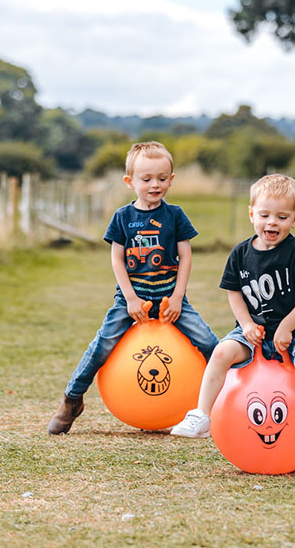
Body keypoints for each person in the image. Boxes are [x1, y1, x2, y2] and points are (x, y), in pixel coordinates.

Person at [171, 174, 295, 444]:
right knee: (221, 351)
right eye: (264, 215)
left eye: (282, 217)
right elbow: (234, 293)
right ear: (252, 214)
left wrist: (287, 327)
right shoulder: (240, 253)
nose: (272, 222)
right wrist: (246, 325)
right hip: (251, 334)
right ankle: (202, 414)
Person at [47, 141, 218, 435]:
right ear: (130, 182)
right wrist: (130, 299)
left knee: (212, 344)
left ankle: (219, 406)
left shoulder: (175, 215)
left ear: (171, 180)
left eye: (162, 179)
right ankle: (72, 398)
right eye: (147, 179)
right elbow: (116, 259)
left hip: (169, 298)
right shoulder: (122, 218)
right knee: (101, 345)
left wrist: (177, 297)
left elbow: (186, 256)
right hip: (132, 297)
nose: (155, 185)